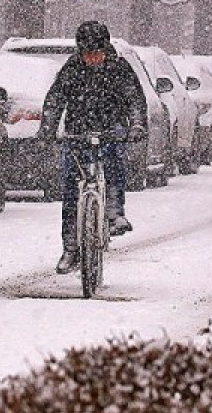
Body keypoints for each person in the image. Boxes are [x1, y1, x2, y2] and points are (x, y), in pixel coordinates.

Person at [38, 21, 148, 274]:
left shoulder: (119, 69)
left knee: (114, 163)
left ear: (106, 49)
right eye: (87, 53)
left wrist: (137, 126)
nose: (92, 58)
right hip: (78, 132)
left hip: (111, 129)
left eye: (97, 53)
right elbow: (54, 100)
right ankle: (71, 247)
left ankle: (114, 212)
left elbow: (134, 99)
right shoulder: (71, 69)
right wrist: (48, 129)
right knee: (70, 188)